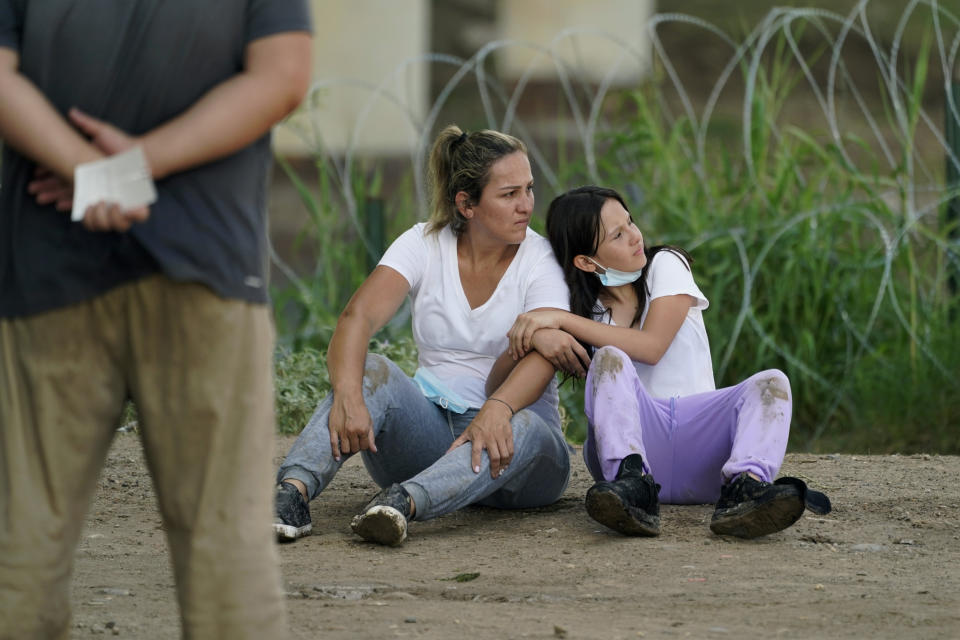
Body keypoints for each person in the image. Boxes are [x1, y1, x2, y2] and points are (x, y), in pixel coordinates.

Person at [0, 2, 312, 638]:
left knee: (22, 541)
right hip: (205, 264)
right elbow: (282, 75)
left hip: (48, 267)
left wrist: (90, 174)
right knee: (226, 550)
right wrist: (134, 166)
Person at [273, 125, 577, 547]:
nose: (526, 205)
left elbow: (546, 353)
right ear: (466, 204)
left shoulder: (541, 259)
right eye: (509, 194)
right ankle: (291, 493)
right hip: (432, 436)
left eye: (528, 189)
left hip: (518, 454)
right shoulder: (424, 242)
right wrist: (347, 393)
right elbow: (357, 317)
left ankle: (401, 504)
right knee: (372, 369)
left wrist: (498, 407)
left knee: (523, 424)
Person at [506, 185, 830, 539]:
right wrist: (538, 332)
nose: (634, 236)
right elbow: (517, 361)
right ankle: (633, 484)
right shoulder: (583, 309)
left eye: (630, 222)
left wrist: (560, 319)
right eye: (618, 235)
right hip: (634, 457)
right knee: (610, 360)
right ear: (586, 262)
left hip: (705, 450)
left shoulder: (664, 265)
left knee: (772, 382)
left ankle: (745, 488)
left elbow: (653, 346)